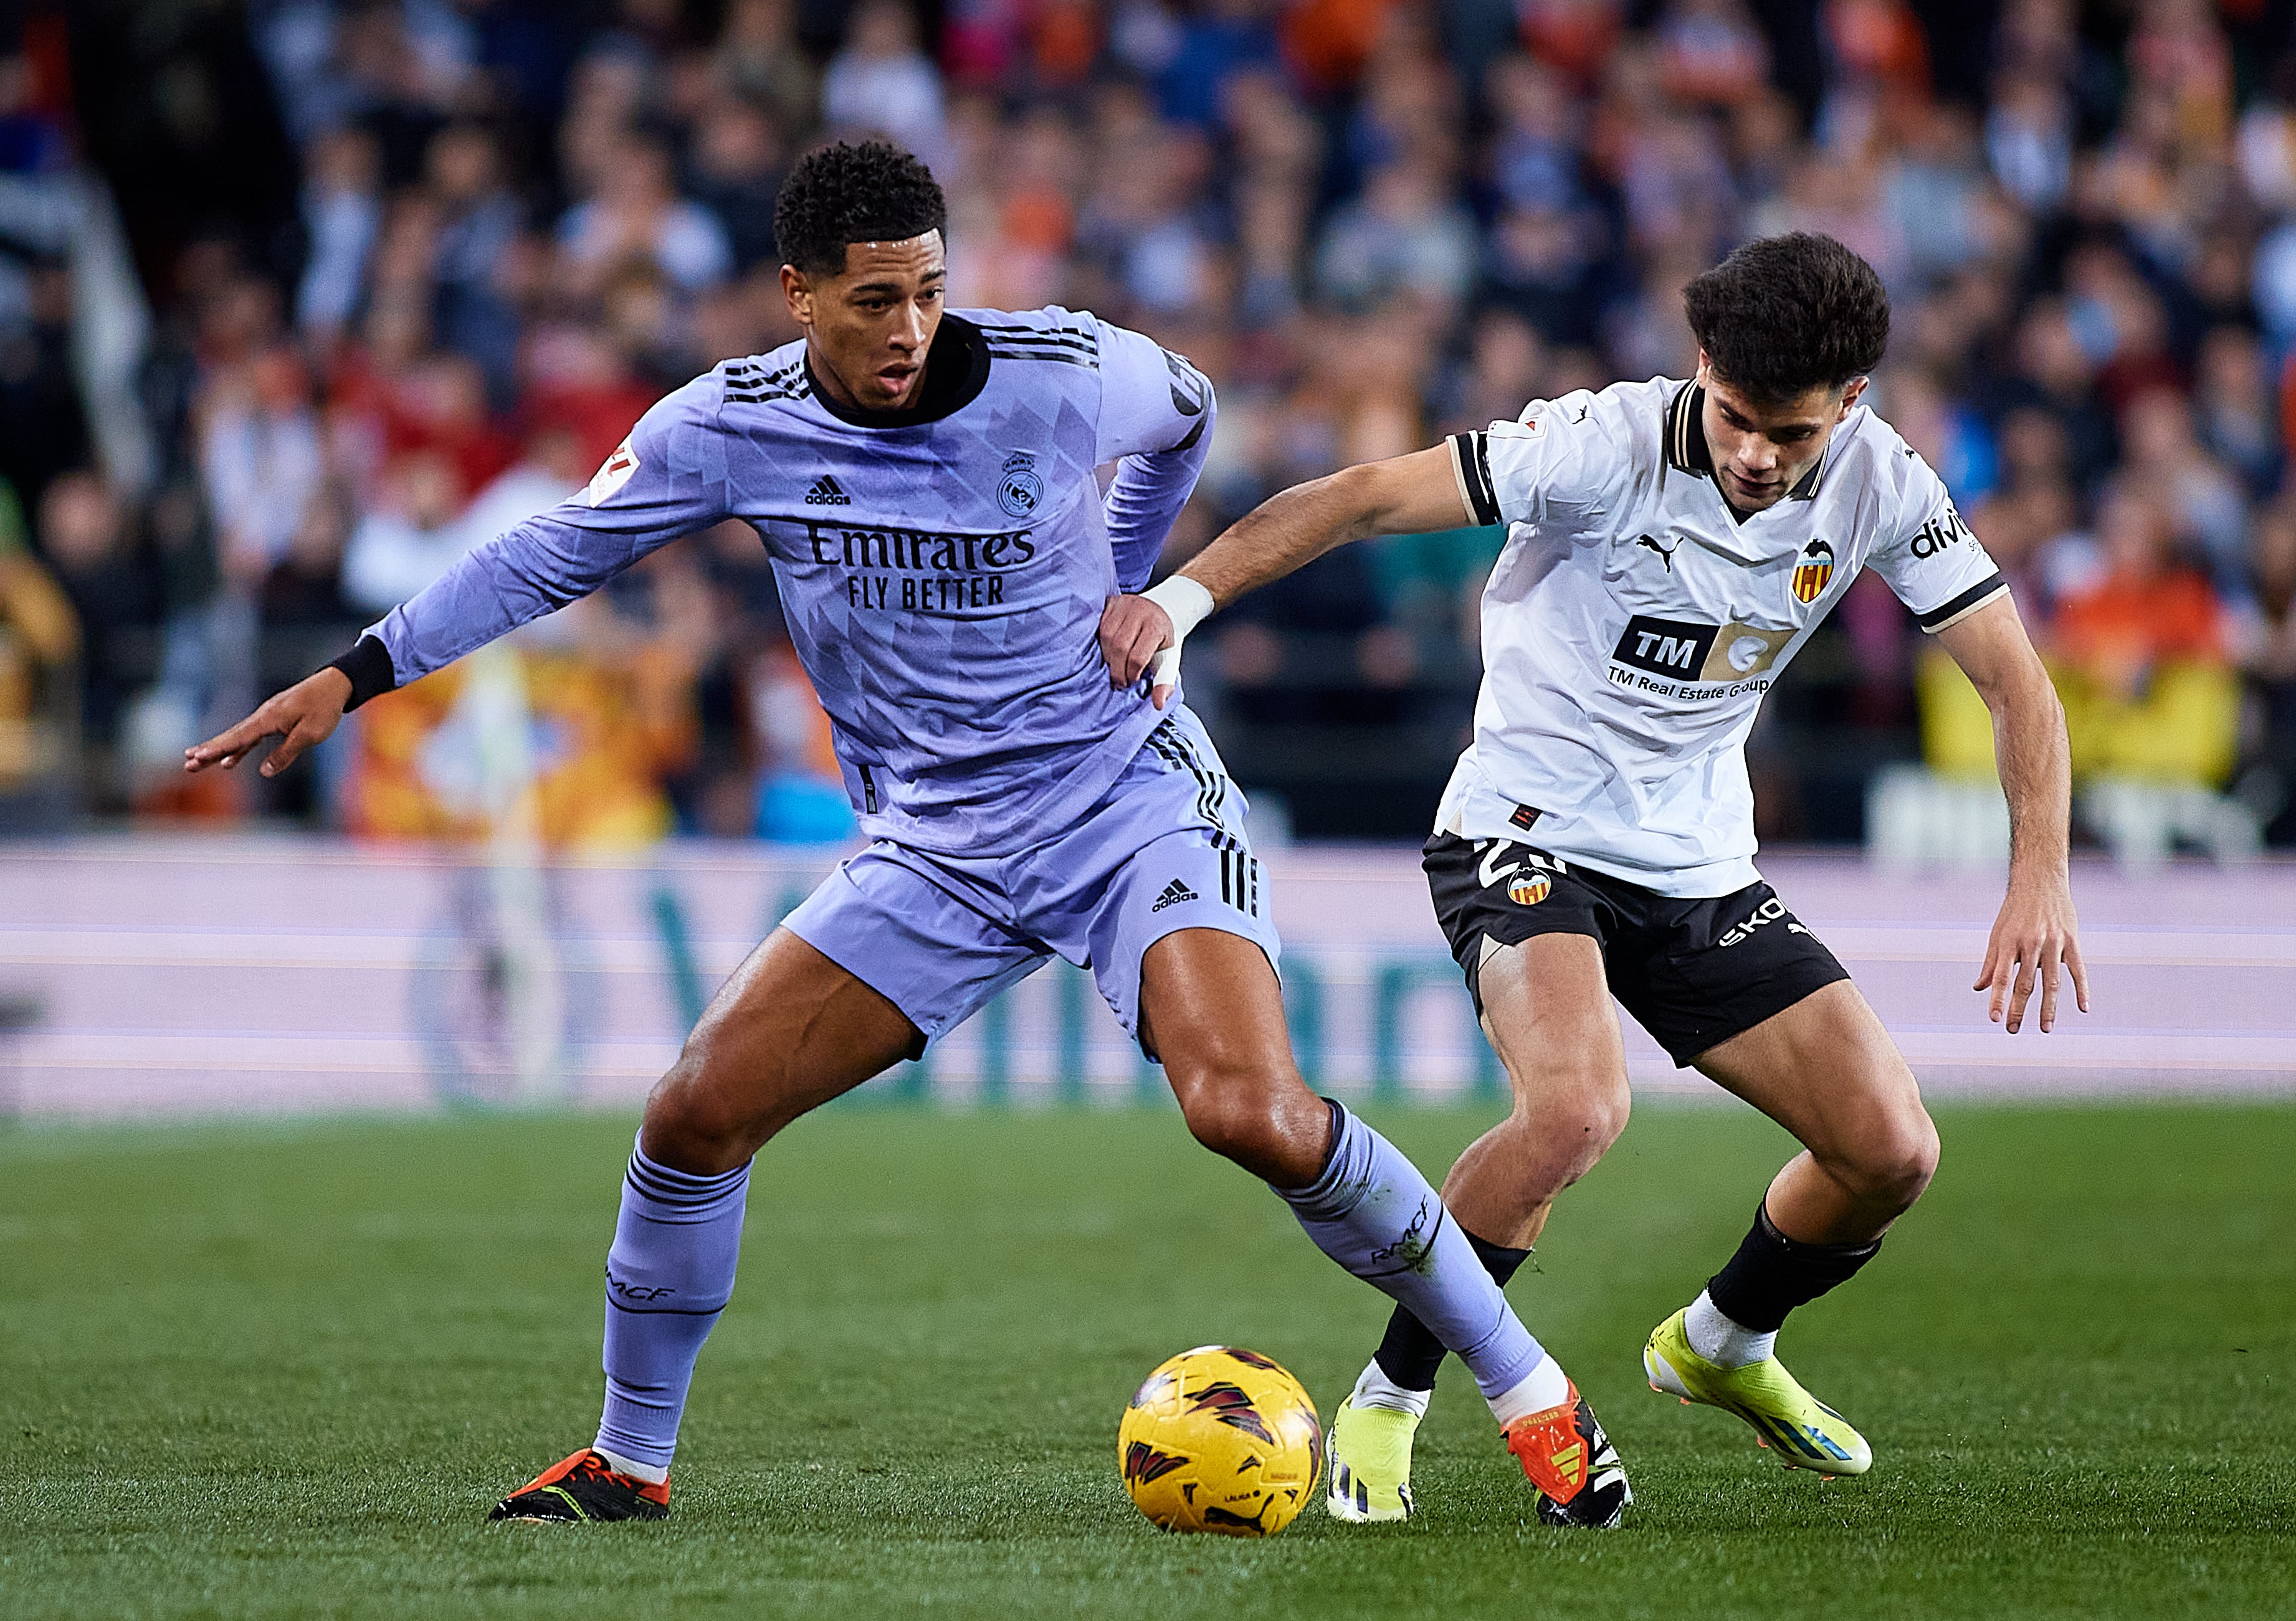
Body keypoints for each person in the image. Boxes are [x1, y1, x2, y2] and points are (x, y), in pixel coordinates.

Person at [183, 141, 1629, 1530]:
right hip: (934, 840)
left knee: (1243, 1109)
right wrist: (348, 676)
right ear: (797, 292)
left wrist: (1138, 583)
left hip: (1121, 793)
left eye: (930, 289)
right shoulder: (728, 425)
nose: (911, 326)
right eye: (875, 298)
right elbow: (547, 553)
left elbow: (1186, 411)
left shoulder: (1064, 371)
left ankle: (1529, 1390)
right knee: (692, 1113)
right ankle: (629, 1461)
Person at [1100, 232, 2087, 1521]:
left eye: (1787, 434)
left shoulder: (1884, 483)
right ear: (1698, 367)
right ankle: (1385, 1403)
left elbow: (2014, 680)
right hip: (1522, 828)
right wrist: (1179, 602)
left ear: (1849, 403)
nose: (1752, 453)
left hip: (1694, 864)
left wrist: (2039, 872)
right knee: (1572, 1110)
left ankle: (1721, 1342)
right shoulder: (1596, 445)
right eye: (1732, 416)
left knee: (1888, 1148)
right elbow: (1352, 497)